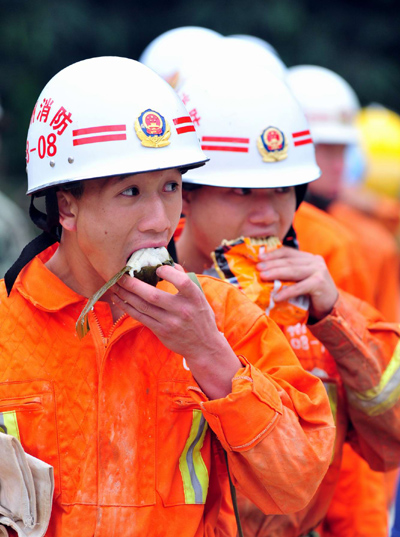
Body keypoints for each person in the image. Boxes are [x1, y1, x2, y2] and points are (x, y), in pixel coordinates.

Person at [0, 56, 336, 537]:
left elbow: (295, 485)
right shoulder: (6, 324)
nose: (160, 219)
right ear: (67, 207)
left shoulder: (222, 317)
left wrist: (209, 354)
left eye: (171, 186)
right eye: (131, 192)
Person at [173, 62, 400, 537]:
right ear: (184, 195)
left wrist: (336, 316)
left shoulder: (317, 300)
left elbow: (390, 440)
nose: (267, 215)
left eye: (282, 191)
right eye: (241, 192)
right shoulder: (144, 296)